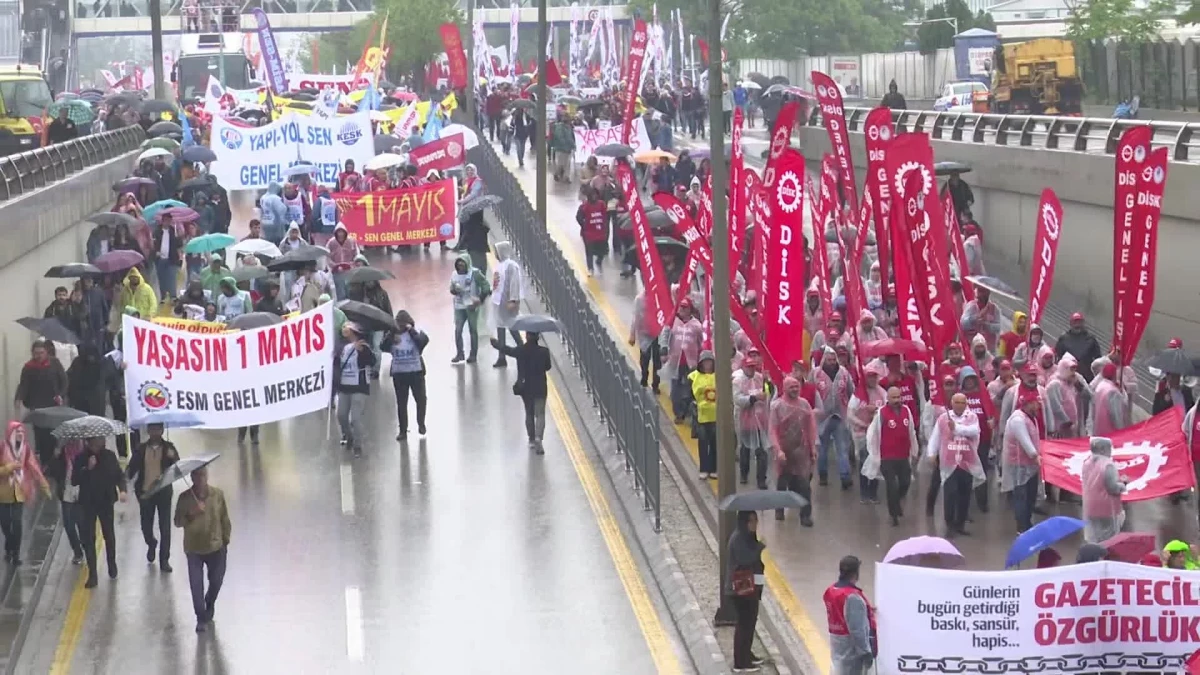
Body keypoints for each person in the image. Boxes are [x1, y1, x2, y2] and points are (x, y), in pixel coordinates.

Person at [174, 466, 231, 632]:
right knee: (196, 585)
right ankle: (200, 617)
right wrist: (192, 512)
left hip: (216, 546)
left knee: (216, 581)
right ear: (192, 478)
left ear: (207, 476)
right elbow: (177, 521)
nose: (200, 479)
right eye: (197, 476)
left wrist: (225, 540)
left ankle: (210, 601)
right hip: (194, 549)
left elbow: (224, 518)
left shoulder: (217, 495)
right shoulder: (184, 498)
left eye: (203, 475)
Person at [926, 393, 986, 537]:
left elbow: (974, 431)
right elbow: (936, 437)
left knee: (965, 495)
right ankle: (949, 524)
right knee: (950, 494)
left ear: (966, 404)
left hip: (966, 462)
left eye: (962, 402)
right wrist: (932, 453)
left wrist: (957, 428)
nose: (959, 405)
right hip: (949, 462)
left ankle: (960, 524)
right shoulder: (943, 418)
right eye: (957, 402)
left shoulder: (972, 417)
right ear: (952, 403)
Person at [73, 435, 128, 588]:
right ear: (89, 442)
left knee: (108, 534)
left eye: (102, 439)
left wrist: (122, 490)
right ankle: (93, 574)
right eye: (97, 440)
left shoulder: (109, 456)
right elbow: (74, 480)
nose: (101, 442)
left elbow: (119, 475)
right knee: (88, 538)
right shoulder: (81, 458)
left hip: (106, 501)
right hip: (88, 503)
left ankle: (112, 563)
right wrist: (87, 469)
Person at [863, 386, 919, 526]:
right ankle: (893, 514)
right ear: (887, 398)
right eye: (893, 397)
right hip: (887, 457)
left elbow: (911, 431)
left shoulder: (907, 411)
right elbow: (873, 434)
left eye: (898, 397)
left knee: (905, 482)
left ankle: (897, 502)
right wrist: (875, 454)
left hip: (903, 455)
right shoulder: (881, 413)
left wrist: (915, 451)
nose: (896, 400)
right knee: (891, 486)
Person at [126, 422, 178, 572]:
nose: (155, 432)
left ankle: (164, 560)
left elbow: (178, 467)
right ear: (148, 430)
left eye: (158, 429)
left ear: (162, 430)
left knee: (165, 528)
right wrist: (123, 482)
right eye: (152, 429)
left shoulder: (169, 448)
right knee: (146, 526)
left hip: (163, 493)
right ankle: (151, 543)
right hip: (145, 493)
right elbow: (132, 468)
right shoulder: (141, 449)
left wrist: (173, 457)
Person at [491, 332, 552, 453]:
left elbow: (508, 350)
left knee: (529, 413)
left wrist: (496, 344)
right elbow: (548, 367)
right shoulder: (544, 351)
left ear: (526, 336)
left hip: (525, 387)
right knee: (540, 414)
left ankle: (531, 439)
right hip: (540, 386)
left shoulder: (521, 350)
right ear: (538, 337)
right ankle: (539, 437)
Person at [771, 376, 818, 524]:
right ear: (785, 388)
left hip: (801, 451)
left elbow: (811, 427)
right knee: (782, 483)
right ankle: (779, 510)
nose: (795, 390)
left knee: (804, 484)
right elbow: (772, 430)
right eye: (792, 387)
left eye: (797, 386)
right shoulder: (777, 406)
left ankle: (805, 515)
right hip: (784, 451)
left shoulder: (804, 405)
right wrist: (778, 450)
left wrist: (812, 447)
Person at [0, 424, 48, 565]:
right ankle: (9, 545)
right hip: (3, 493)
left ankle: (15, 553)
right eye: (17, 432)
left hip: (20, 492)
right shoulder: (2, 447)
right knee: (5, 524)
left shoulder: (25, 449)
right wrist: (9, 468)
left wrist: (44, 486)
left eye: (22, 432)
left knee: (17, 522)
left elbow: (34, 467)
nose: (20, 434)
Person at [14, 340, 67, 467]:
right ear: (32, 353)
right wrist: (18, 399)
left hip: (54, 406)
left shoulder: (54, 363)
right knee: (41, 436)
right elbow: (24, 385)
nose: (39, 356)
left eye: (41, 353)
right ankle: (44, 463)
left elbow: (64, 381)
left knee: (54, 435)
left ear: (46, 352)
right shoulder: (28, 368)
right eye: (36, 353)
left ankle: (56, 464)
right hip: (37, 407)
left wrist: (61, 394)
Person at [726, 510, 765, 672]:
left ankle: (747, 655)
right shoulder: (738, 539)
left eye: (756, 520)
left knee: (750, 623)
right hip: (740, 590)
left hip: (750, 588)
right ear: (744, 522)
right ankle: (740, 662)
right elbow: (745, 559)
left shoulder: (747, 538)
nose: (754, 524)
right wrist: (759, 547)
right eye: (751, 521)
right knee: (744, 624)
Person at [824, 555, 876, 675]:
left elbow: (841, 611)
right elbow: (857, 630)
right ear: (855, 573)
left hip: (837, 649)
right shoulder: (852, 597)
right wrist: (866, 653)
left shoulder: (831, 591)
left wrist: (865, 610)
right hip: (852, 655)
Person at [382, 310, 429, 441]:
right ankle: (403, 430)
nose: (401, 327)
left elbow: (423, 342)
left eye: (403, 325)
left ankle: (421, 423)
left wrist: (411, 331)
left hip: (416, 372)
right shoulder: (392, 336)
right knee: (401, 403)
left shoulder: (415, 333)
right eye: (399, 325)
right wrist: (391, 334)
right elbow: (382, 346)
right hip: (399, 374)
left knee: (421, 400)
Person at [1004, 389, 1043, 532]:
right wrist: (1035, 455)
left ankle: (1027, 522)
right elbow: (1025, 440)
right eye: (1036, 403)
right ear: (1028, 404)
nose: (1038, 406)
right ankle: (1021, 527)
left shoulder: (1031, 417)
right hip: (1019, 464)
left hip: (1030, 465)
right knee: (1021, 496)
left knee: (1030, 496)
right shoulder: (1018, 419)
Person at [848, 362, 888, 504]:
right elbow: (850, 414)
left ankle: (873, 492)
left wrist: (876, 412)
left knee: (876, 462)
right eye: (869, 377)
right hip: (862, 434)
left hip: (876, 434)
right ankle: (864, 493)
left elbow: (886, 411)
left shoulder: (882, 392)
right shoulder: (858, 395)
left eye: (874, 377)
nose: (872, 380)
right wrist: (862, 423)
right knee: (865, 461)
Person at [814, 347, 853, 488]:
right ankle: (823, 475)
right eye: (828, 359)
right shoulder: (816, 373)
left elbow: (851, 390)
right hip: (822, 416)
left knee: (842, 447)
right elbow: (811, 391)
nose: (831, 362)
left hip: (840, 415)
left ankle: (845, 477)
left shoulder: (844, 373)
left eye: (833, 359)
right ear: (824, 359)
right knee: (822, 448)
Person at [335, 322, 375, 458]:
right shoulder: (341, 347)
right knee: (341, 415)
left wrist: (362, 352)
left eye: (347, 327)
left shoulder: (363, 345)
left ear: (354, 331)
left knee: (355, 419)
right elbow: (336, 364)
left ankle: (358, 445)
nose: (344, 329)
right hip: (344, 387)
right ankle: (349, 436)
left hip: (359, 387)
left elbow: (372, 361)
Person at [661, 298, 704, 423]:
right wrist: (664, 350)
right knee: (675, 389)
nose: (683, 310)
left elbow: (702, 342)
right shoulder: (673, 322)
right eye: (681, 307)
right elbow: (664, 335)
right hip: (675, 362)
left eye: (685, 308)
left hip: (691, 364)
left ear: (690, 309)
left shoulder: (697, 326)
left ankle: (687, 411)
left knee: (689, 388)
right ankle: (678, 414)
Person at [733, 350, 770, 489]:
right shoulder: (738, 381)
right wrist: (753, 399)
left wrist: (768, 387)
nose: (751, 370)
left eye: (753, 367)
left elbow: (767, 394)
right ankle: (744, 473)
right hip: (745, 421)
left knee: (762, 450)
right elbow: (737, 399)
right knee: (745, 449)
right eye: (749, 367)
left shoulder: (760, 378)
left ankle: (761, 479)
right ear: (743, 367)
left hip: (760, 421)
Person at [1080, 436, 1126, 543]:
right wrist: (1123, 484)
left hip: (1090, 506)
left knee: (1094, 538)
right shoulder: (1108, 464)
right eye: (1109, 448)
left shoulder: (1086, 462)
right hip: (1106, 509)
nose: (1111, 451)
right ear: (1102, 449)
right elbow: (1112, 488)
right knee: (1108, 541)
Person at [449, 253, 489, 364]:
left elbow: (486, 287)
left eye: (463, 263)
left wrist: (479, 300)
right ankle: (460, 353)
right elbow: (451, 289)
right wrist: (454, 290)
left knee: (473, 330)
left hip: (471, 306)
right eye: (459, 264)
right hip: (459, 306)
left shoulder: (475, 273)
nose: (461, 266)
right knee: (458, 330)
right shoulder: (454, 275)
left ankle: (473, 354)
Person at [491, 242, 524, 367]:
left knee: (512, 326)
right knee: (500, 326)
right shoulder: (500, 265)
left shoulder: (511, 266)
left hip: (508, 302)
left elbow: (514, 284)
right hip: (499, 302)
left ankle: (522, 349)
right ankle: (501, 355)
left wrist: (513, 300)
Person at [689, 351, 718, 479]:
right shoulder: (694, 376)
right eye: (705, 362)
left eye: (709, 361)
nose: (707, 364)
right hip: (701, 415)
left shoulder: (719, 376)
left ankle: (713, 468)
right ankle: (704, 468)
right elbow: (690, 393)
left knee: (714, 443)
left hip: (716, 415)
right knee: (703, 442)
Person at [630, 290, 662, 393]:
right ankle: (644, 377)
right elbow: (635, 317)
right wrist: (632, 334)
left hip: (657, 333)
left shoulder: (659, 297)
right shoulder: (639, 299)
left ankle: (656, 384)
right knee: (645, 358)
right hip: (644, 332)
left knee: (657, 360)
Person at [1055, 313, 1103, 381]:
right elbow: (1058, 357)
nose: (1077, 325)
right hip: (1067, 377)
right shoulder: (1063, 339)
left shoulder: (1091, 339)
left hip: (1087, 378)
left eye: (1079, 322)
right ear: (1071, 323)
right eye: (1075, 322)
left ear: (1083, 323)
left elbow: (1098, 358)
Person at [1091, 362, 1130, 436]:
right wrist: (1122, 432)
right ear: (1114, 374)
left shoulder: (1100, 385)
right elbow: (1116, 415)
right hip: (1110, 431)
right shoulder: (1113, 391)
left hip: (1098, 429)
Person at [577, 187, 609, 274]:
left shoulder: (601, 204)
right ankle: (590, 268)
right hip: (588, 234)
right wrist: (584, 226)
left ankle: (599, 260)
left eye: (595, 195)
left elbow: (605, 216)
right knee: (589, 251)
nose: (594, 197)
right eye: (592, 195)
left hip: (600, 232)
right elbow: (579, 217)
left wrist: (605, 228)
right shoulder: (584, 206)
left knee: (602, 251)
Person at [150, 214, 183, 299]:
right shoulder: (156, 231)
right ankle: (163, 295)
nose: (167, 223)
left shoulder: (173, 231)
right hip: (160, 259)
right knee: (162, 279)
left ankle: (173, 296)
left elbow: (179, 245)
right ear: (163, 221)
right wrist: (155, 252)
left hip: (171, 259)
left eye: (169, 221)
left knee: (172, 278)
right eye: (166, 220)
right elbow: (152, 245)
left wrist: (178, 237)